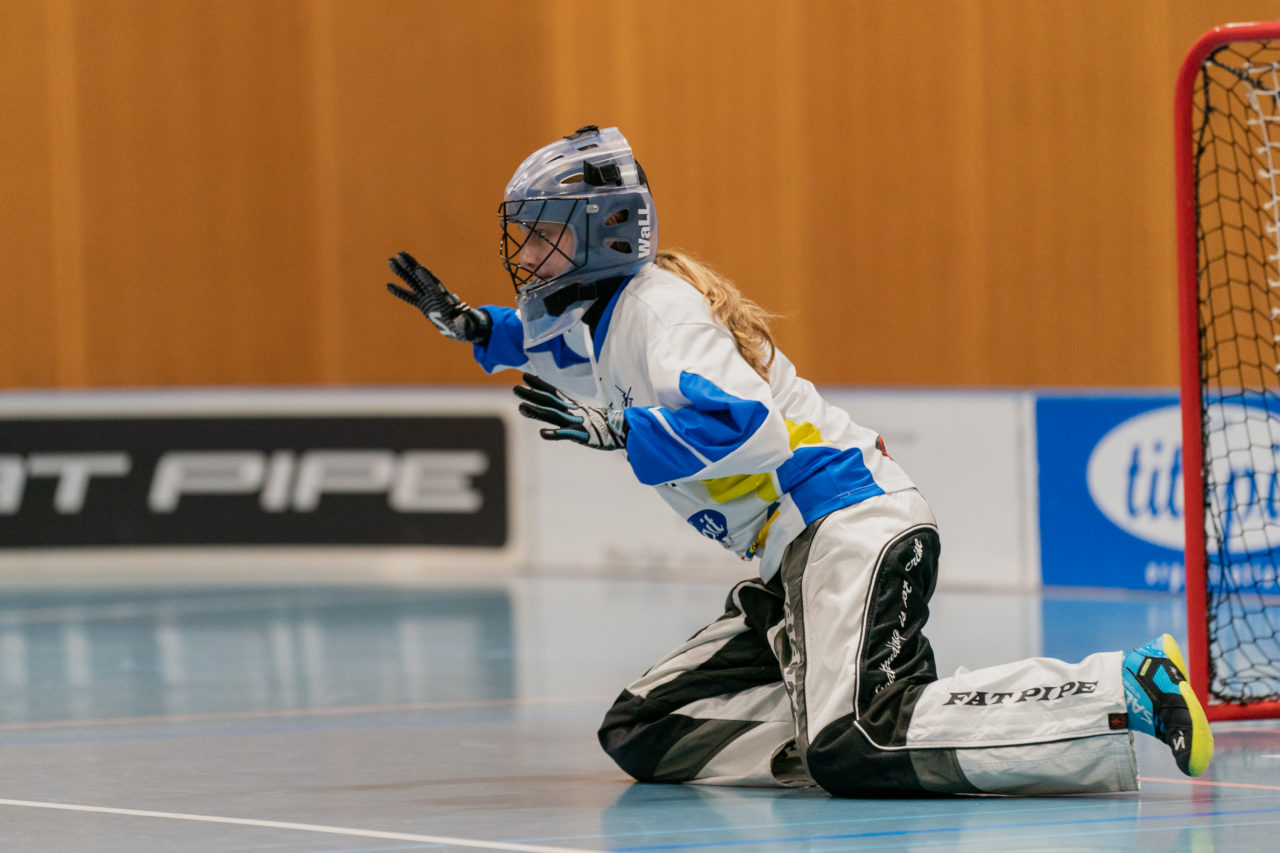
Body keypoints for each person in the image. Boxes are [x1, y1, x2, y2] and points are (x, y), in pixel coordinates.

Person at [385, 124, 1213, 796]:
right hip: (795, 563)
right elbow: (554, 347)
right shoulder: (608, 320)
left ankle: (1119, 686)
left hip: (847, 524)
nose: (526, 256)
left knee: (858, 743)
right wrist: (475, 328)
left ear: (605, 233)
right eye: (522, 239)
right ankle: (856, 729)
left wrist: (620, 434)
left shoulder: (659, 313)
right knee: (645, 728)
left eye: (544, 239)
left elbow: (752, 429)